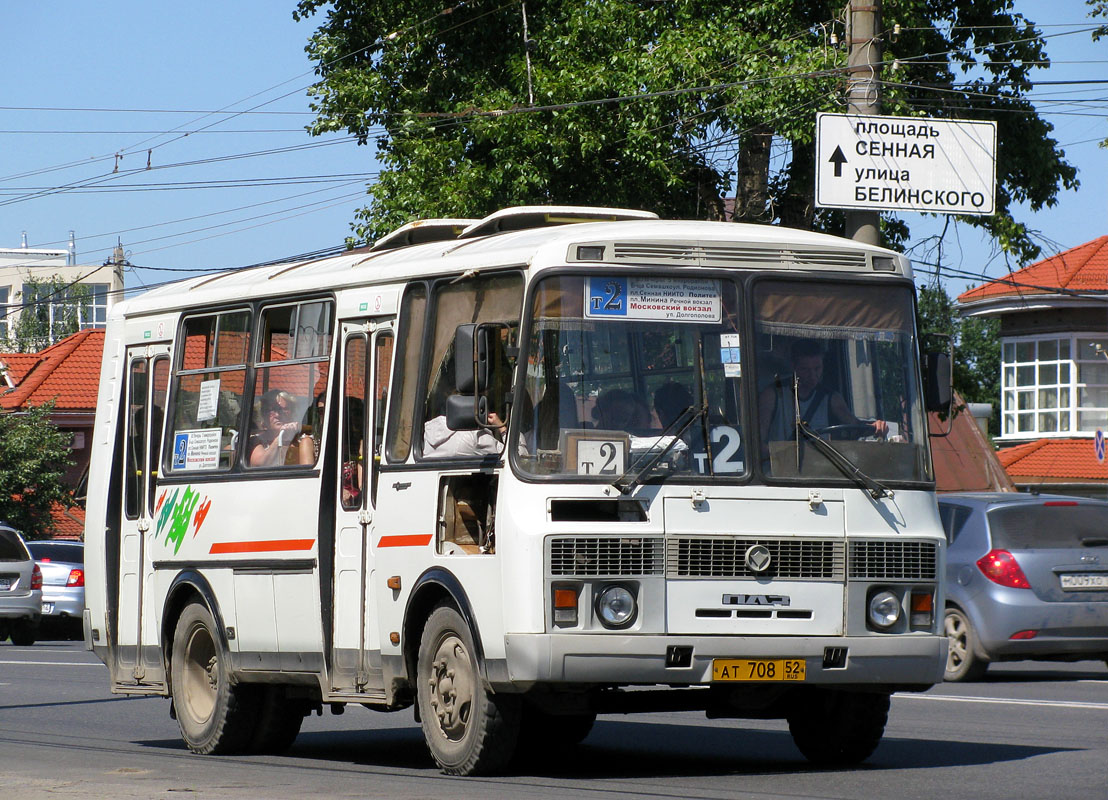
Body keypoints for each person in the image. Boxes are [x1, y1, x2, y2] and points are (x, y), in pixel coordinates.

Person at [758, 340, 888, 458]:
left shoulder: (831, 398)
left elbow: (854, 425)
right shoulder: (772, 395)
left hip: (820, 471)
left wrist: (875, 426)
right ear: (793, 367)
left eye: (817, 368)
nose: (813, 375)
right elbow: (759, 444)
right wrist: (784, 453)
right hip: (780, 474)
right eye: (805, 370)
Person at [248, 389, 315, 467]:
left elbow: (307, 474)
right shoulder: (256, 440)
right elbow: (259, 464)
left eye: (284, 409)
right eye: (272, 410)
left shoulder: (302, 441)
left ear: (292, 413)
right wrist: (281, 438)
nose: (277, 415)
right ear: (264, 415)